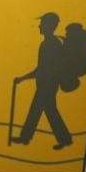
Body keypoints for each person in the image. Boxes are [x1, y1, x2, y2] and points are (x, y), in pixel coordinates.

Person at [14, 12, 73, 149]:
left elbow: (42, 69)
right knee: (49, 110)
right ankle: (65, 139)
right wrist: (23, 79)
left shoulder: (50, 45)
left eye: (42, 24)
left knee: (37, 110)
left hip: (47, 84)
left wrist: (22, 79)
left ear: (49, 26)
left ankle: (25, 138)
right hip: (46, 84)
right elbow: (41, 68)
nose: (39, 26)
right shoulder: (49, 43)